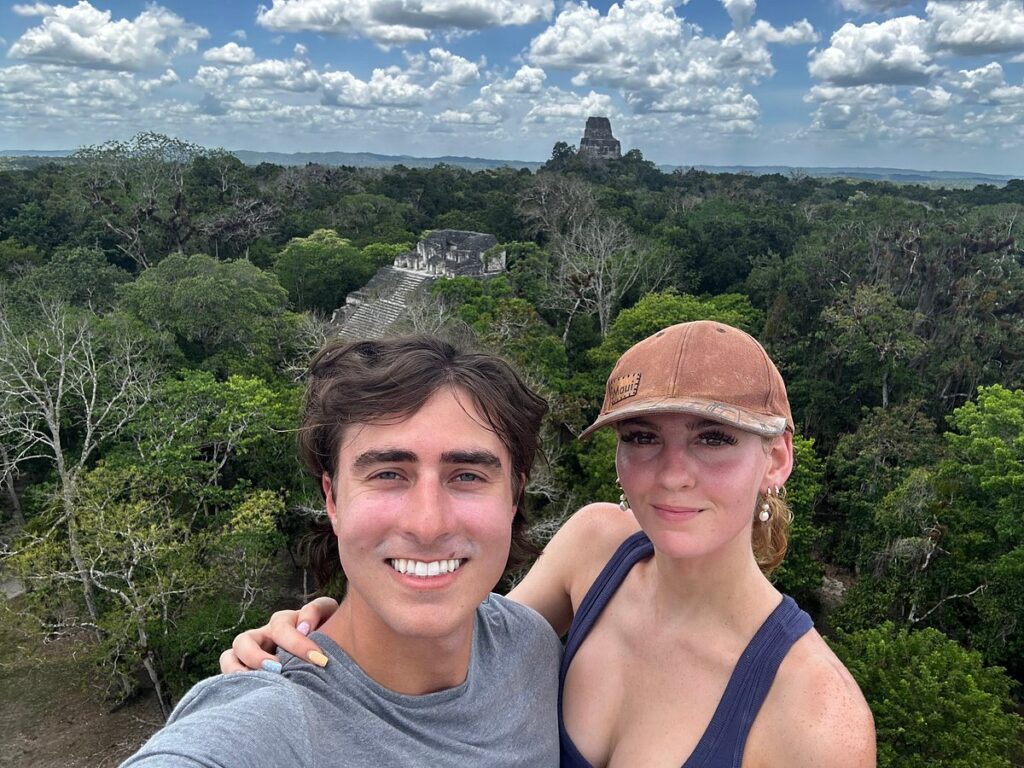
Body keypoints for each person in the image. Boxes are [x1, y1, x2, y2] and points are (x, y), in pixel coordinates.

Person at [224, 321, 877, 767]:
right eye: (643, 437)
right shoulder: (596, 551)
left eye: (713, 438)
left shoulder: (818, 717)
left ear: (777, 458)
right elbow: (462, 643)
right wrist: (323, 634)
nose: (674, 472)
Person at [123, 336, 561, 767]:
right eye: (388, 474)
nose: (428, 525)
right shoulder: (277, 718)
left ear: (514, 498)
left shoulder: (530, 645)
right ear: (332, 500)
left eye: (466, 476)